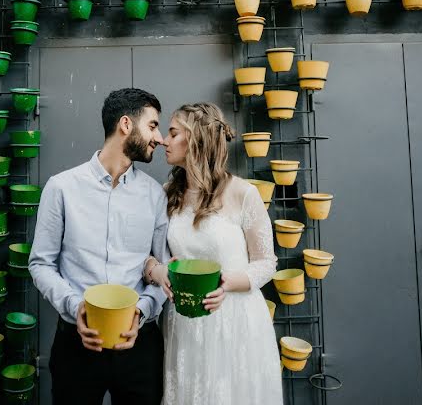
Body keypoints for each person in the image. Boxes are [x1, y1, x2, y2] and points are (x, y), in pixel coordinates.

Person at [29, 88, 169, 405]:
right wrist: (74, 306)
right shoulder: (61, 187)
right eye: (152, 125)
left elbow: (164, 270)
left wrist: (142, 310)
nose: (159, 138)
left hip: (140, 348)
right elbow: (40, 264)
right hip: (76, 346)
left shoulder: (154, 195)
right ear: (125, 124)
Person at [145, 102, 283, 405]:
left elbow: (266, 262)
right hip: (184, 323)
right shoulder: (166, 193)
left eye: (172, 133)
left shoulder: (243, 193)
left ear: (196, 139)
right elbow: (150, 258)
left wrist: (226, 283)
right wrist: (158, 271)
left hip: (234, 320)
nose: (164, 141)